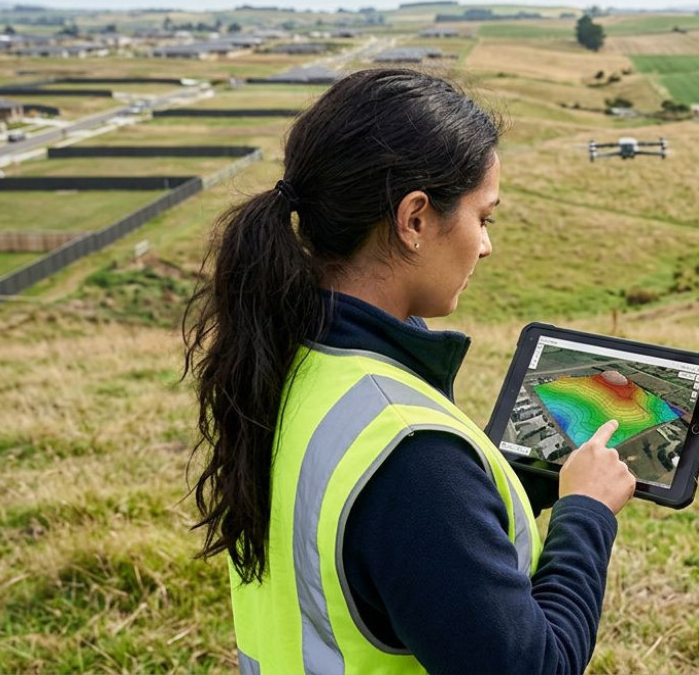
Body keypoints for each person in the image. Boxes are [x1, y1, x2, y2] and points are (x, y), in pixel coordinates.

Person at [183, 68, 635, 674]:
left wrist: (506, 485)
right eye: (484, 218)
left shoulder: (287, 356)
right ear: (415, 219)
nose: (485, 245)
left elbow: (387, 543)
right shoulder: (413, 454)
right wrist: (586, 512)